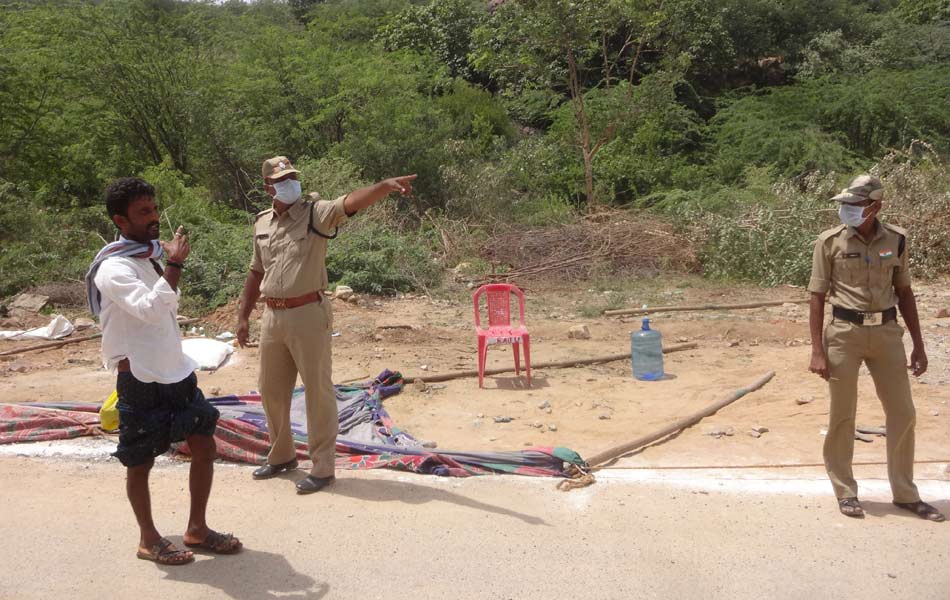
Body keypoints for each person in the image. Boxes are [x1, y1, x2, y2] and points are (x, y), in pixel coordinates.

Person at [236, 156, 415, 494]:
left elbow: (349, 202)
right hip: (272, 316)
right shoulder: (262, 224)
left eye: (292, 177)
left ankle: (322, 467)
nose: (290, 183)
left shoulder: (314, 213)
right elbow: (255, 271)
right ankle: (282, 456)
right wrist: (243, 316)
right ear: (267, 187)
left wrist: (383, 187)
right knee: (271, 391)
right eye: (282, 179)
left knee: (318, 391)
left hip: (308, 313)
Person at [87, 177, 242, 565]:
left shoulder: (148, 256)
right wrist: (174, 263)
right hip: (140, 376)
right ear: (120, 222)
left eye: (154, 209)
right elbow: (152, 309)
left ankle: (197, 529)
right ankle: (149, 539)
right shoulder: (114, 268)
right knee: (140, 460)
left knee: (204, 443)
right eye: (144, 212)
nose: (154, 217)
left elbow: (165, 309)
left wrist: (167, 261)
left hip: (176, 371)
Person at [807, 174, 944, 522]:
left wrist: (919, 345)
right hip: (843, 334)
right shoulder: (829, 242)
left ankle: (905, 493)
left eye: (853, 205)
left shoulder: (897, 240)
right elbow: (817, 296)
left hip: (886, 333)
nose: (846, 211)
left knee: (903, 413)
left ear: (875, 206)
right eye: (844, 205)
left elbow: (906, 292)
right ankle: (846, 490)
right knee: (842, 415)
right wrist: (817, 351)